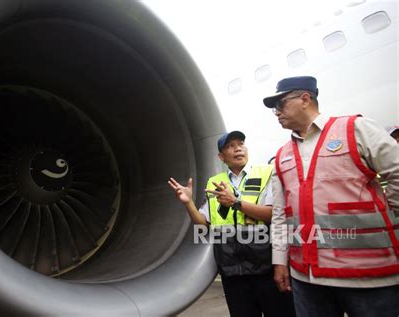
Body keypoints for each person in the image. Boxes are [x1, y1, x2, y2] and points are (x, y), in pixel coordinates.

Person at [263, 76, 399, 317]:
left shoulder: (355, 129)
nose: (276, 113)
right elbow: (280, 215)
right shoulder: (282, 156)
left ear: (305, 99)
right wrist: (279, 261)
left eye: (281, 104)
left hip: (368, 278)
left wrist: (389, 216)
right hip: (307, 278)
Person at [168, 131, 295, 317]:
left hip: (265, 268)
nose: (237, 149)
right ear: (221, 156)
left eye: (241, 143)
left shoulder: (267, 173)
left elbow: (273, 214)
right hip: (233, 272)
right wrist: (188, 203)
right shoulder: (215, 182)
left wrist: (236, 202)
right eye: (230, 146)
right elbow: (203, 224)